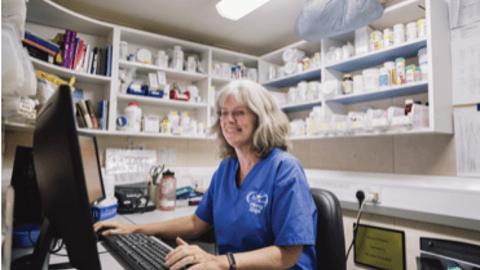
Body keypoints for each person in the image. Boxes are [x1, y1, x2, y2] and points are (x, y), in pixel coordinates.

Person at [94, 79, 318, 270]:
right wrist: (137, 229)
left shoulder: (285, 168)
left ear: (261, 119)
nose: (228, 121)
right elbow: (196, 223)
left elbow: (289, 253)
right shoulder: (227, 168)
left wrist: (219, 262)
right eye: (224, 113)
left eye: (239, 113)